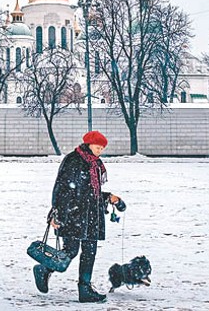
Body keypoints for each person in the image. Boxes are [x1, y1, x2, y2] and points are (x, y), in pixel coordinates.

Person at [33, 130, 126, 303]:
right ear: (89, 144)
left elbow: (91, 192)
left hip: (91, 216)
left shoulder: (95, 164)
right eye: (98, 148)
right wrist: (58, 214)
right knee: (71, 251)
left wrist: (109, 198)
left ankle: (85, 289)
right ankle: (44, 270)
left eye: (102, 149)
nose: (100, 151)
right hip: (73, 214)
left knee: (90, 252)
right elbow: (62, 189)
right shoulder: (73, 160)